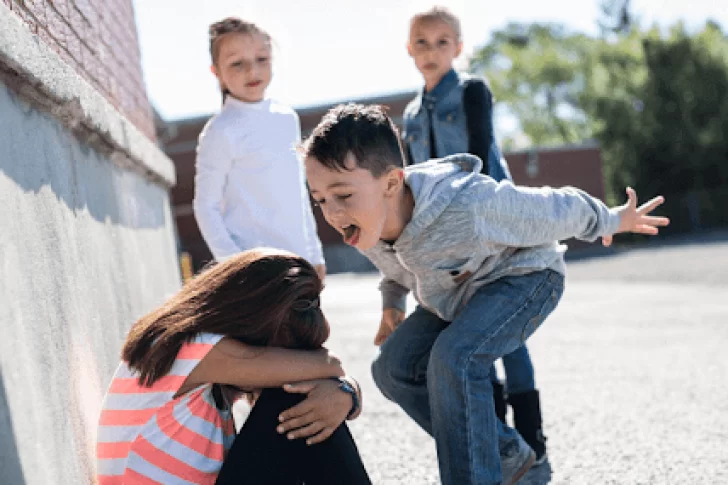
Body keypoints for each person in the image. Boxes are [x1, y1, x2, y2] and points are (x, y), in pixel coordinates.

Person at [302, 104, 669, 485]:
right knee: (392, 369)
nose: (331, 212)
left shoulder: (468, 204)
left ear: (392, 183)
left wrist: (611, 220)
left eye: (342, 195)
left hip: (525, 278)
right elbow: (395, 269)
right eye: (319, 199)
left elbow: (553, 207)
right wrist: (391, 306)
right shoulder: (365, 221)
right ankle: (504, 453)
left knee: (454, 358)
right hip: (457, 295)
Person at [399, 6, 545, 463]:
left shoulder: (472, 92)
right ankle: (501, 442)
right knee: (470, 331)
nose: (431, 51)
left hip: (493, 226)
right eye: (422, 42)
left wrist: (504, 231)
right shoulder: (410, 114)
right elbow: (412, 181)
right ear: (409, 49)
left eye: (442, 42)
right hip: (444, 238)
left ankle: (533, 440)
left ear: (458, 48)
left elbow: (482, 156)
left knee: (508, 335)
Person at [96, 248, 372, 485]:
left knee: (305, 398)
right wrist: (344, 390)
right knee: (293, 394)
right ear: (251, 320)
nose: (283, 363)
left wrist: (346, 393)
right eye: (278, 353)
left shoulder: (196, 352)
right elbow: (330, 365)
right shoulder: (193, 347)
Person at [194, 17, 325, 281]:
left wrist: (315, 254)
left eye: (261, 59)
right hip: (255, 271)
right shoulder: (220, 130)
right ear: (216, 72)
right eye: (237, 64)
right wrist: (235, 264)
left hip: (299, 263)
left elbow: (298, 194)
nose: (252, 71)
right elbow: (205, 206)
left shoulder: (287, 118)